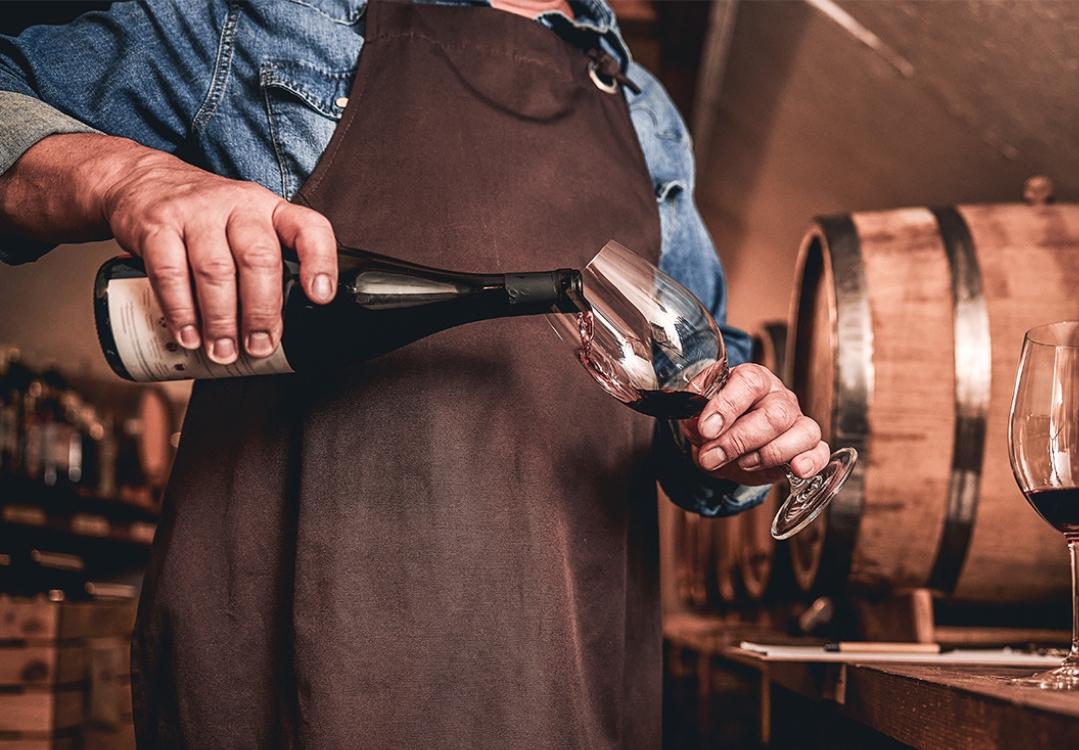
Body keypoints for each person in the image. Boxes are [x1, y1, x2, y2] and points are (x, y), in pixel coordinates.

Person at [0, 1, 829, 747]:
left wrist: (735, 433)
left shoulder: (647, 112)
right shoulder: (272, 21)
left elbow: (700, 382)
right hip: (296, 671)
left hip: (565, 681)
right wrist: (132, 175)